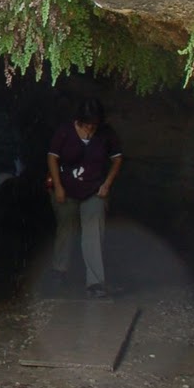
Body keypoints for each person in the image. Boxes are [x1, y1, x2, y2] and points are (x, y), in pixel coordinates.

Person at [46, 98, 123, 297]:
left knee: (93, 231)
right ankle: (59, 272)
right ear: (79, 120)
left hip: (94, 190)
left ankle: (95, 282)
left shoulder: (106, 134)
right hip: (65, 189)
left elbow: (117, 159)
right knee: (67, 227)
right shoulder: (64, 131)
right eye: (87, 124)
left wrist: (107, 184)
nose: (91, 128)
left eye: (94, 124)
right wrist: (59, 186)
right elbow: (52, 157)